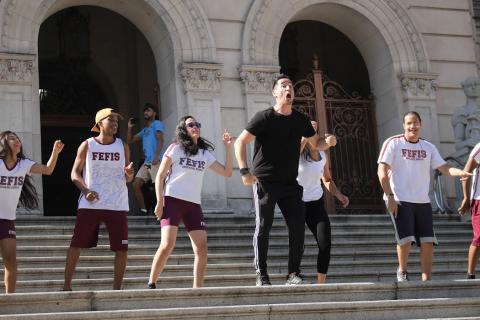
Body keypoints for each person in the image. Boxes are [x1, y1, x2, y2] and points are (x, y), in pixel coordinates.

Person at [234, 74, 336, 286]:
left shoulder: (301, 120)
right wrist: (245, 172)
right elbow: (240, 142)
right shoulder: (264, 117)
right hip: (266, 182)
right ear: (275, 92)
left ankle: (293, 273)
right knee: (263, 227)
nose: (288, 88)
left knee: (298, 228)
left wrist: (329, 142)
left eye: (291, 85)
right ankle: (262, 274)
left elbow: (315, 144)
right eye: (283, 85)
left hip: (290, 183)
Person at [377, 111, 471, 282]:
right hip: (399, 198)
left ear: (420, 124)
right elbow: (381, 171)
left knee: (427, 241)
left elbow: (444, 168)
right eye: (409, 123)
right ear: (404, 125)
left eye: (415, 123)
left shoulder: (428, 147)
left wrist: (461, 172)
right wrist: (389, 196)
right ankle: (402, 272)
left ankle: (426, 279)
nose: (412, 126)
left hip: (422, 201)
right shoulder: (393, 143)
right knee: (406, 239)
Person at [148, 116, 233, 288]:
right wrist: (159, 201)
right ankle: (152, 283)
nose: (195, 127)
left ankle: (198, 288)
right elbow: (160, 176)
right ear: (184, 129)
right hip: (172, 200)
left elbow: (227, 173)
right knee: (167, 245)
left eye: (197, 124)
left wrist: (228, 148)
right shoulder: (175, 148)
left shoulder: (204, 154)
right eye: (190, 125)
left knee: (201, 248)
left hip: (193, 205)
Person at [63, 108, 134, 291]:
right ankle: (66, 286)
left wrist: (129, 174)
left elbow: (128, 178)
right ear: (99, 123)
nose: (115, 124)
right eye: (111, 120)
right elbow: (74, 173)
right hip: (91, 203)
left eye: (117, 121)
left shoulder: (123, 146)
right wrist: (85, 190)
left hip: (117, 203)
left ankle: (116, 289)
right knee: (76, 243)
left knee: (122, 249)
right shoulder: (87, 145)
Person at [0, 131, 63, 293]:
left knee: (11, 262)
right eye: (12, 138)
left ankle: (10, 298)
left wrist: (55, 152)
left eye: (18, 138)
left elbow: (48, 170)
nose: (17, 141)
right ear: (4, 143)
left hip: (7, 220)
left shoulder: (24, 164)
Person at [297, 120, 349, 284]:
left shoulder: (322, 156)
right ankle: (294, 275)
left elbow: (327, 179)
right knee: (298, 243)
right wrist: (304, 136)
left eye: (315, 130)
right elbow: (289, 157)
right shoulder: (297, 152)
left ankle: (321, 283)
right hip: (296, 204)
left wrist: (339, 195)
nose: (313, 132)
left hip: (315, 204)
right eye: (309, 129)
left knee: (325, 243)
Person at [127, 103, 165, 215]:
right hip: (147, 163)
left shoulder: (157, 123)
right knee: (136, 184)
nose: (145, 113)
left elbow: (161, 140)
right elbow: (130, 140)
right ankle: (144, 210)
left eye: (148, 110)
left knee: (157, 186)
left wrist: (157, 156)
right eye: (145, 111)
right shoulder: (145, 130)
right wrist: (129, 127)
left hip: (155, 161)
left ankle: (161, 211)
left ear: (154, 113)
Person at [458, 141, 480, 279]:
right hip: (479, 199)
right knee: (479, 237)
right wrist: (466, 198)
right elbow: (466, 173)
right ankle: (470, 274)